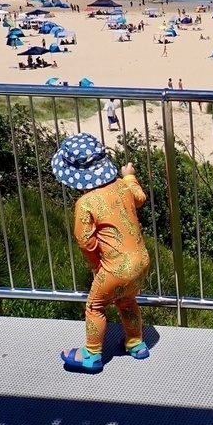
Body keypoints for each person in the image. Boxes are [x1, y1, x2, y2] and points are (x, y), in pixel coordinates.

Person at [54, 134, 151, 373]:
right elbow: (140, 197)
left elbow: (86, 242)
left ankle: (91, 355)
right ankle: (136, 344)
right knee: (127, 300)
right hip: (142, 261)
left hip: (115, 268)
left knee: (95, 305)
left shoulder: (85, 204)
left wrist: (97, 266)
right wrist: (129, 175)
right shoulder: (122, 186)